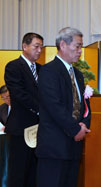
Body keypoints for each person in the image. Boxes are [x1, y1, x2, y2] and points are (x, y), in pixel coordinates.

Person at [36, 27, 91, 187]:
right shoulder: (48, 71)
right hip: (54, 147)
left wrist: (84, 125)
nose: (80, 51)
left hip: (74, 147)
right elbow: (54, 106)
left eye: (81, 46)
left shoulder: (78, 75)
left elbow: (85, 105)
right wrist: (75, 130)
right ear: (63, 45)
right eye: (77, 46)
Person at [4, 32, 43, 187]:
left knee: (34, 171)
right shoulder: (13, 66)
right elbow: (19, 94)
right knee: (19, 171)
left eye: (41, 46)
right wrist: (41, 109)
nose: (39, 50)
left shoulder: (42, 69)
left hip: (40, 129)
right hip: (21, 128)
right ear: (24, 46)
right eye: (36, 46)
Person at [0, 85, 11, 187]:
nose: (6, 100)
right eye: (3, 98)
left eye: (8, 97)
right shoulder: (2, 108)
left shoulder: (20, 107)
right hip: (4, 141)